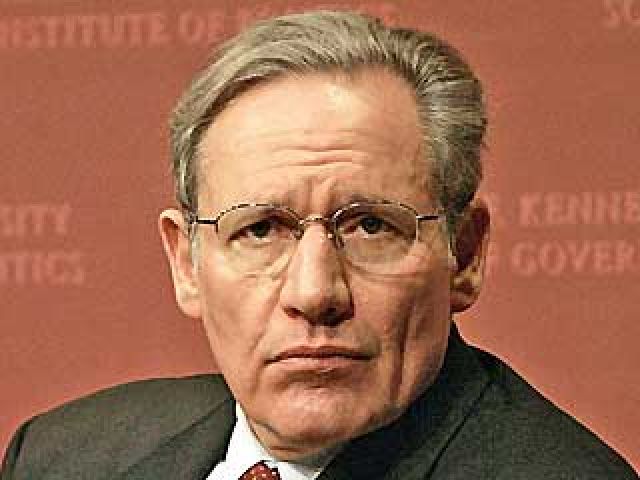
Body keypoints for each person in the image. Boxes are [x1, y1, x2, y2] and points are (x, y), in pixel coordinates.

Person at [1, 10, 636, 480]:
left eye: (370, 226)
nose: (314, 293)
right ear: (186, 264)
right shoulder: (60, 457)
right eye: (260, 229)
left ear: (464, 255)